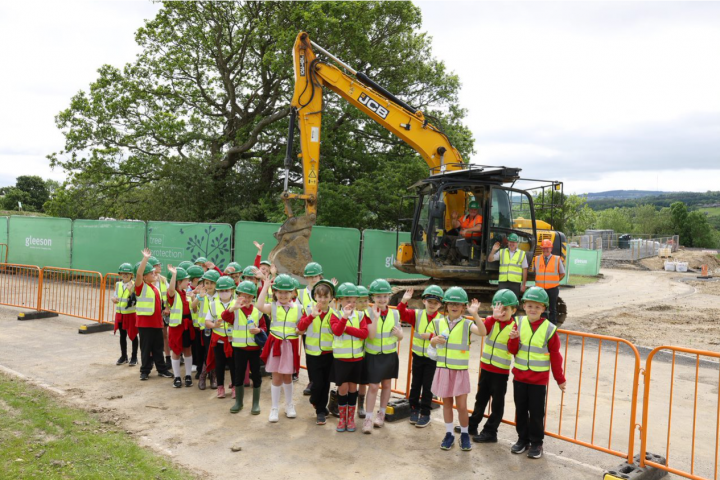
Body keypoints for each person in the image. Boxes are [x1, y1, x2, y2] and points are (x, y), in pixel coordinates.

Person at [424, 287, 487, 451]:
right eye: (451, 303)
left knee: (461, 406)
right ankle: (449, 434)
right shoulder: (437, 323)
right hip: (443, 370)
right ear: (446, 305)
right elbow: (430, 343)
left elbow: (482, 331)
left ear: (463, 306)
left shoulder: (467, 324)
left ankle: (465, 434)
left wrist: (475, 314)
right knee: (446, 404)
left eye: (458, 304)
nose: (454, 306)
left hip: (459, 371)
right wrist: (433, 342)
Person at [508, 287, 567, 459]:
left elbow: (555, 356)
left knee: (536, 413)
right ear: (524, 306)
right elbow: (512, 350)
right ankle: (522, 440)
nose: (533, 310)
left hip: (538, 381)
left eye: (537, 307)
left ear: (543, 309)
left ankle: (536, 443)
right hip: (519, 377)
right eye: (530, 306)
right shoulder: (518, 323)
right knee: (520, 411)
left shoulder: (549, 329)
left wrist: (560, 379)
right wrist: (513, 339)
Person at [460, 289, 519, 442]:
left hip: (500, 372)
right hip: (486, 368)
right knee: (481, 399)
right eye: (498, 308)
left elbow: (513, 350)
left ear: (514, 310)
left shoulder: (515, 327)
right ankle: (472, 425)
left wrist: (514, 339)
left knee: (497, 404)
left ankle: (491, 432)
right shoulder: (492, 321)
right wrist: (492, 317)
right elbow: (484, 331)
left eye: (506, 309)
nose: (502, 312)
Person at [257, 273, 303, 423]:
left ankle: (289, 405)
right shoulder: (273, 307)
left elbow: (302, 326)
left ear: (292, 293)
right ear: (275, 292)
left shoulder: (298, 308)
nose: (283, 295)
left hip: (289, 346)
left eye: (287, 292)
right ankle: (274, 408)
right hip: (276, 345)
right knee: (276, 377)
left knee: (288, 377)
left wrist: (300, 330)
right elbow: (259, 306)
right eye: (280, 292)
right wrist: (265, 287)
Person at [397, 285, 444, 428]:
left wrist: (430, 336)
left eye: (435, 303)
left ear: (440, 305)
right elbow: (401, 314)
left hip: (433, 358)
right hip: (418, 356)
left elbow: (444, 337)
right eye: (430, 302)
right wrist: (404, 300)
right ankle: (414, 409)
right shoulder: (417, 314)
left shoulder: (442, 319)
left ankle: (425, 413)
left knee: (428, 386)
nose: (432, 305)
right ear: (424, 301)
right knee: (416, 384)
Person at [362, 279, 403, 434]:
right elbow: (370, 336)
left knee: (386, 385)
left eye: (385, 296)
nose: (382, 299)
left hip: (389, 355)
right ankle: (368, 418)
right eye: (379, 296)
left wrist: (400, 336)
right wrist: (375, 317)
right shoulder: (367, 313)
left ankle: (382, 413)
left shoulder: (395, 313)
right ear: (373, 297)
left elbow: (398, 335)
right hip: (373, 356)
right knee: (373, 387)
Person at [329, 283, 368, 432]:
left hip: (357, 359)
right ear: (339, 300)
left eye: (353, 300)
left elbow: (363, 333)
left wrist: (346, 329)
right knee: (343, 388)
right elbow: (337, 331)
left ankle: (350, 419)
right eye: (347, 300)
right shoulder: (335, 315)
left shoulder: (360, 315)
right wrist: (344, 318)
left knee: (353, 388)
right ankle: (342, 419)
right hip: (341, 359)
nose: (350, 303)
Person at [296, 279, 336, 425]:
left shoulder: (335, 313)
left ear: (331, 298)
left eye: (326, 297)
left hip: (329, 354)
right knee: (317, 383)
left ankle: (320, 409)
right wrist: (312, 315)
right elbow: (300, 327)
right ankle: (316, 402)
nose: (323, 300)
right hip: (312, 354)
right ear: (315, 297)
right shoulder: (308, 309)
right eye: (320, 297)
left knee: (326, 384)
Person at [224, 280, 267, 415]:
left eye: (249, 296)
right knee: (239, 374)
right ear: (238, 295)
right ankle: (239, 402)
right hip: (239, 348)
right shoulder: (234, 308)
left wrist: (259, 330)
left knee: (257, 375)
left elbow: (264, 327)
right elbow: (225, 317)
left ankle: (255, 403)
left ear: (253, 297)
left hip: (254, 349)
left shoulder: (257, 311)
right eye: (243, 296)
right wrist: (232, 308)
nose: (246, 299)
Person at [134, 249, 173, 381]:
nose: (154, 273)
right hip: (145, 324)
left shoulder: (155, 287)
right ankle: (144, 371)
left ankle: (162, 370)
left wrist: (164, 309)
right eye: (151, 273)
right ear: (145, 277)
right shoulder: (140, 286)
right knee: (146, 349)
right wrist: (145, 259)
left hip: (157, 323)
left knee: (158, 348)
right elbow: (139, 273)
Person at [204, 276, 237, 399]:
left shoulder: (236, 303)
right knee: (220, 365)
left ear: (232, 290)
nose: (224, 293)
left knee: (233, 365)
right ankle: (220, 388)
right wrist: (214, 325)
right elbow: (207, 321)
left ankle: (234, 388)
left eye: (227, 290)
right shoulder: (213, 304)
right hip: (218, 340)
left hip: (233, 340)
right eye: (221, 291)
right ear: (218, 292)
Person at [166, 265, 195, 388]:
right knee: (176, 352)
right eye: (186, 280)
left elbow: (191, 307)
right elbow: (171, 290)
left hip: (187, 326)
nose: (188, 282)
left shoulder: (186, 293)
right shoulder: (173, 294)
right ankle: (177, 377)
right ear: (179, 282)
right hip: (176, 327)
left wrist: (197, 296)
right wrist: (173, 275)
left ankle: (188, 375)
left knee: (187, 350)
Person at [193, 269, 220, 390]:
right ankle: (203, 375)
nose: (209, 286)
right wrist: (199, 297)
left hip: (218, 328)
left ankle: (213, 375)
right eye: (206, 283)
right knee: (207, 352)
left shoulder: (220, 296)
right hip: (205, 329)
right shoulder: (202, 295)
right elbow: (192, 307)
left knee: (215, 352)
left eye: (211, 283)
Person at [533, 239, 565, 325]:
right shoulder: (536, 259)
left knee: (552, 308)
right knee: (541, 308)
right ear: (541, 249)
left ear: (551, 249)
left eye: (548, 248)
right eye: (544, 248)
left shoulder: (557, 259)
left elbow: (562, 273)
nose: (546, 250)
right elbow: (535, 272)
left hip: (552, 288)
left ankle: (552, 325)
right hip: (540, 289)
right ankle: (542, 325)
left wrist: (555, 280)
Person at [112, 263, 138, 366]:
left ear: (131, 275)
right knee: (122, 335)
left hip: (130, 314)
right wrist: (113, 299)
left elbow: (135, 297)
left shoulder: (134, 284)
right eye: (123, 274)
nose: (125, 276)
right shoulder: (118, 284)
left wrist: (131, 289)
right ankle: (124, 356)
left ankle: (134, 357)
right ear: (120, 275)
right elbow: (114, 296)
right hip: (120, 314)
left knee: (133, 335)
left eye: (127, 274)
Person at [147, 256, 172, 368]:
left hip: (162, 313)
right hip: (151, 314)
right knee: (152, 337)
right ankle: (151, 358)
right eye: (157, 265)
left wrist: (167, 308)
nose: (160, 266)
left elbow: (168, 294)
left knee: (164, 335)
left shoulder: (163, 280)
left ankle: (168, 358)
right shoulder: (146, 281)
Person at [490, 233, 528, 299]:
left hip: (515, 283)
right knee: (501, 301)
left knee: (514, 302)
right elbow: (490, 259)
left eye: (514, 242)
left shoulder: (522, 254)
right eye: (510, 242)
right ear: (508, 242)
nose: (512, 244)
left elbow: (524, 269)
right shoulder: (502, 252)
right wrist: (493, 250)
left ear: (517, 243)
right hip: (503, 282)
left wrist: (523, 284)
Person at [354, 285, 371, 419]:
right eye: (360, 301)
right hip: (351, 353)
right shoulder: (351, 315)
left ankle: (361, 405)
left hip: (365, 354)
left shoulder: (370, 314)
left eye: (365, 300)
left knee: (363, 382)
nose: (364, 303)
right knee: (349, 381)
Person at [186, 265, 206, 377]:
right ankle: (199, 369)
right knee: (197, 348)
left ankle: (206, 369)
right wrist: (196, 296)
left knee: (205, 349)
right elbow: (193, 308)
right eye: (202, 281)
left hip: (206, 326)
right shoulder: (190, 291)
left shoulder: (208, 292)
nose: (204, 285)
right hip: (196, 325)